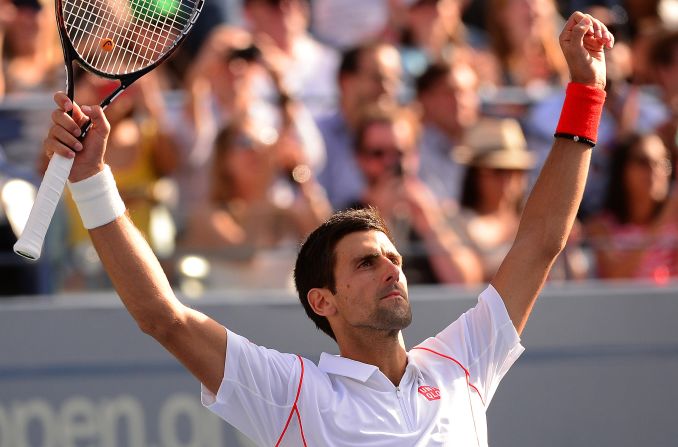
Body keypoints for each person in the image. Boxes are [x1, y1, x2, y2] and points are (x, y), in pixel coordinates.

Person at [42, 11, 613, 445]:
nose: (392, 268)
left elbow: (540, 240)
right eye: (366, 262)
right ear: (323, 301)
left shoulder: (462, 363)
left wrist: (587, 92)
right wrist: (92, 179)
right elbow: (165, 318)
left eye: (391, 257)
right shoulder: (293, 394)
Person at [585, 133, 678, 280]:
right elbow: (615, 279)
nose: (654, 170)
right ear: (622, 170)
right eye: (643, 161)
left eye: (662, 162)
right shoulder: (600, 227)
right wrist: (661, 221)